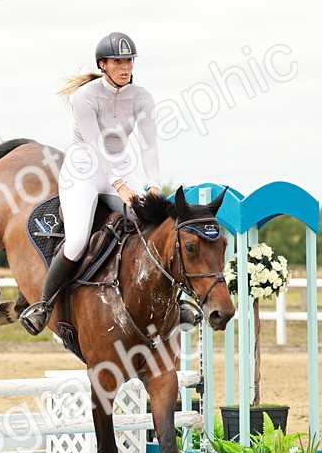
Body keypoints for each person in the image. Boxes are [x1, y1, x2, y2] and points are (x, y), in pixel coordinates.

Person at [21, 31, 194, 335]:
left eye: (128, 60)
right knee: (76, 241)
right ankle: (43, 304)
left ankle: (175, 303)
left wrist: (153, 185)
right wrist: (119, 186)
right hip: (83, 171)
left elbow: (149, 145)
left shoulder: (141, 96)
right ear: (103, 64)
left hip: (123, 167)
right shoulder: (85, 97)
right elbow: (94, 144)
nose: (125, 66)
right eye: (118, 61)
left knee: (156, 225)